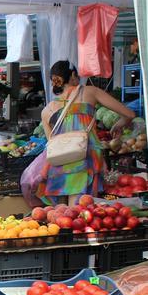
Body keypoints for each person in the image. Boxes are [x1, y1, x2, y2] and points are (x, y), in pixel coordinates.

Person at [37, 60, 135, 203]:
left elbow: (51, 144)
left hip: (58, 166)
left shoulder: (46, 111)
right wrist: (119, 124)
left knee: (61, 216)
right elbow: (129, 114)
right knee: (79, 212)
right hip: (85, 160)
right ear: (73, 75)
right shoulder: (89, 92)